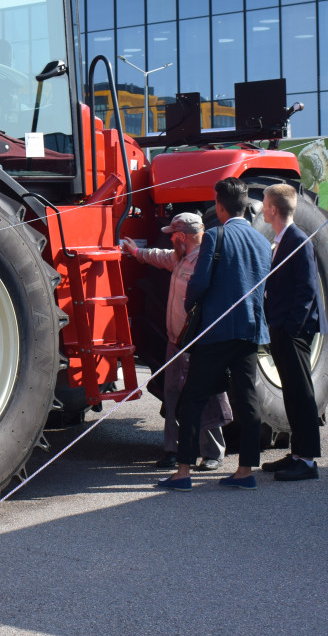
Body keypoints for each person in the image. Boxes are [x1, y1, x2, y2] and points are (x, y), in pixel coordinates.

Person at [157, 178, 271, 491]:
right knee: (248, 402)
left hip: (215, 331)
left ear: (219, 207)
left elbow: (199, 283)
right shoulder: (262, 241)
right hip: (249, 331)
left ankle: (183, 472)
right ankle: (245, 471)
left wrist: (192, 306)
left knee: (192, 400)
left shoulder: (216, 236)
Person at [123, 212, 232, 471]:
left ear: (182, 237)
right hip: (175, 343)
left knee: (205, 396)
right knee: (172, 397)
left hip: (196, 344)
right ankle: (173, 451)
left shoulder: (206, 262)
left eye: (173, 234)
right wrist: (137, 253)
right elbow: (160, 256)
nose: (170, 238)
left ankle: (213, 453)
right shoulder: (180, 257)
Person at [260, 183, 328, 482]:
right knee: (292, 391)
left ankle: (308, 460)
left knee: (301, 393)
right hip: (284, 326)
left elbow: (308, 289)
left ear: (273, 209)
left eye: (264, 204)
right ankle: (298, 453)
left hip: (294, 329)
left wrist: (292, 327)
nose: (262, 208)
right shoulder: (283, 238)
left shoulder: (298, 239)